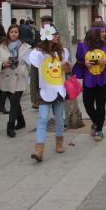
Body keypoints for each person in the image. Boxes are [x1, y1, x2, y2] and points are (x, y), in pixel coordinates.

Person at [25, 24, 71, 162]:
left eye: (57, 34)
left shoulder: (62, 52)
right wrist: (34, 97)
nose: (57, 36)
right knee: (42, 119)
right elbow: (34, 78)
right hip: (44, 92)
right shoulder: (37, 55)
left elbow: (67, 72)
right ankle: (39, 150)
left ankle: (59, 142)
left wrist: (67, 68)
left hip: (58, 91)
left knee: (58, 119)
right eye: (54, 34)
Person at [75, 23, 106, 141]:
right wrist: (84, 63)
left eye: (105, 31)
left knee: (100, 104)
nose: (105, 34)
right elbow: (78, 60)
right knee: (87, 104)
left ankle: (99, 130)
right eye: (102, 32)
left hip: (105, 80)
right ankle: (96, 122)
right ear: (95, 33)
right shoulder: (82, 46)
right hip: (89, 80)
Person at [0, 24, 31, 137]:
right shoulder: (2, 46)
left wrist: (28, 75)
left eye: (16, 32)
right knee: (14, 101)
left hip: (20, 77)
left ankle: (10, 126)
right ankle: (21, 121)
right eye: (11, 32)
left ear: (19, 34)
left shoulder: (26, 47)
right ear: (8, 33)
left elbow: (31, 64)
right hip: (7, 77)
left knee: (14, 101)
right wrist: (3, 64)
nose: (13, 34)